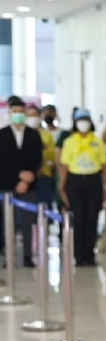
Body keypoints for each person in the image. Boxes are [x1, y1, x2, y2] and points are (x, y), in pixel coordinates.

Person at [59, 109, 106, 267]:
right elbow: (64, 166)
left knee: (92, 218)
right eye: (80, 120)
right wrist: (61, 188)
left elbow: (105, 166)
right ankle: (78, 255)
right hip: (75, 181)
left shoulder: (97, 142)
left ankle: (89, 254)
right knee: (79, 218)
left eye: (86, 120)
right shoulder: (69, 142)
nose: (83, 123)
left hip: (93, 180)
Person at [0, 96, 43, 268]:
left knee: (27, 221)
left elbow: (37, 159)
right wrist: (19, 177)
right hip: (7, 185)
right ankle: (8, 255)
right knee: (6, 223)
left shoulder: (33, 135)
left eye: (20, 112)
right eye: (14, 112)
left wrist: (28, 177)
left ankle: (27, 255)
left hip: (29, 185)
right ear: (10, 113)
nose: (18, 115)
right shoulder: (2, 135)